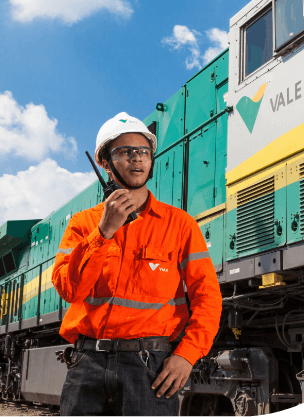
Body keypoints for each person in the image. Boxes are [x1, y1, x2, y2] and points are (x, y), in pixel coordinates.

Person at [51, 112, 223, 416]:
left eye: (143, 151)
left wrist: (186, 355)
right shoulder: (83, 224)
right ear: (104, 162)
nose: (136, 158)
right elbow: (69, 290)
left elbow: (207, 297)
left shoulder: (181, 225)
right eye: (124, 151)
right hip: (87, 366)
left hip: (149, 370)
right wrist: (103, 232)